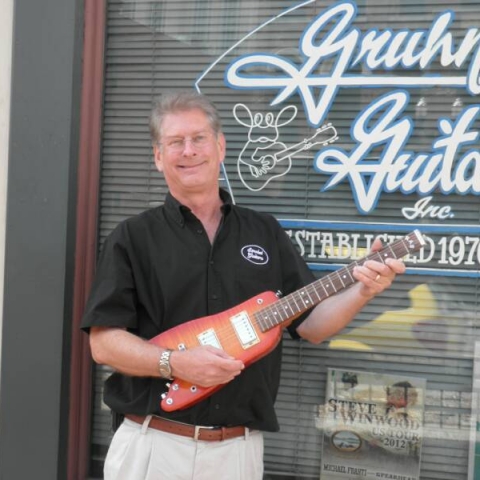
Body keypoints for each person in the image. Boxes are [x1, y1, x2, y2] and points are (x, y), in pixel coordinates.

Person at [81, 91, 406, 480]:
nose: (189, 151)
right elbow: (103, 344)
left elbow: (313, 325)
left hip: (238, 453)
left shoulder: (264, 231)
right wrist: (174, 362)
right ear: (157, 157)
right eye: (175, 142)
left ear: (220, 147)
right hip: (154, 447)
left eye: (199, 139)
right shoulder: (132, 237)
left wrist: (363, 290)